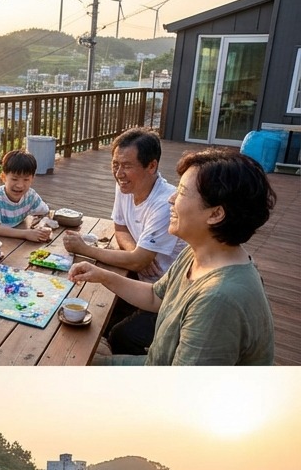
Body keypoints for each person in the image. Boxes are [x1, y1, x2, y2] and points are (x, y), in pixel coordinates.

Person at [69, 147, 275, 365]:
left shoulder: (218, 300)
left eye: (183, 192)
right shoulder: (198, 252)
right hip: (157, 364)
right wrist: (102, 275)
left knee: (71, 364)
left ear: (215, 214)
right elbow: (155, 297)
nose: (171, 199)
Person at [61, 127, 187, 355]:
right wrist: (136, 253)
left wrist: (85, 249)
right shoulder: (126, 185)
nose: (119, 173)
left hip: (169, 295)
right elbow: (120, 229)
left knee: (119, 334)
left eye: (127, 165)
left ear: (152, 166)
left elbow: (138, 261)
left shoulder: (164, 203)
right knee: (93, 311)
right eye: (115, 164)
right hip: (141, 281)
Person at [0, 149, 52, 248]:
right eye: (14, 179)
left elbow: (46, 211)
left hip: (15, 244)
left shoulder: (30, 196)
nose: (20, 185)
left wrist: (42, 227)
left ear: (32, 179)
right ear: (3, 177)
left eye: (26, 179)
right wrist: (26, 233)